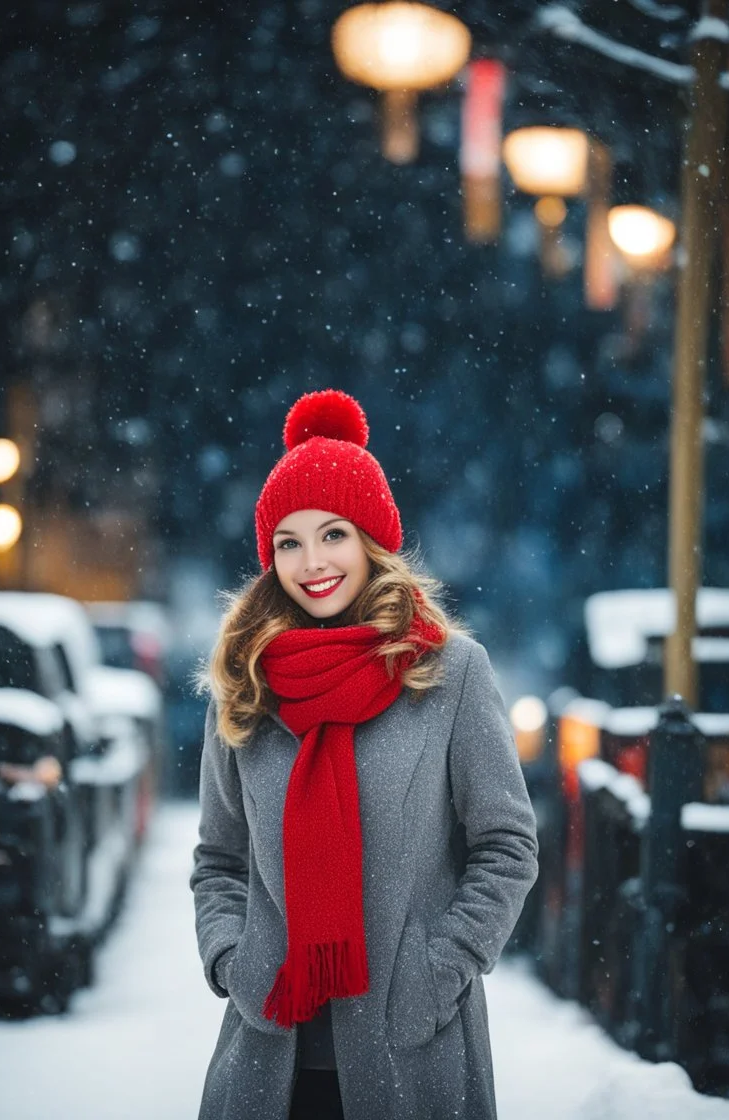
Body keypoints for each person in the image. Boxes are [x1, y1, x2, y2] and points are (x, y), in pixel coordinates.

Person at [191, 389, 539, 1120]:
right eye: (288, 542)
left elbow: (506, 847)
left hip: (412, 1053)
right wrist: (233, 960)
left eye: (333, 534)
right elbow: (218, 859)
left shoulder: (449, 673)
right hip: (268, 1056)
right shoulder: (248, 681)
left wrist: (438, 971)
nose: (312, 562)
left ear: (371, 539)